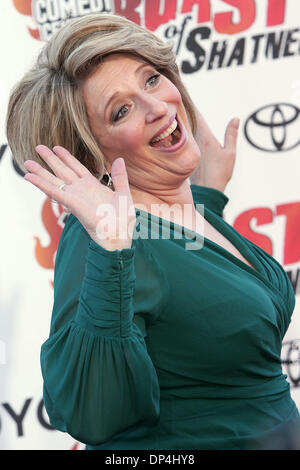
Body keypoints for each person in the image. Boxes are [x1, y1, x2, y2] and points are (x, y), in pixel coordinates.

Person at [6, 14, 300, 450]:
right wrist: (110, 248)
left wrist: (206, 199)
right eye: (121, 110)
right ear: (93, 155)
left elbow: (187, 298)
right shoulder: (100, 235)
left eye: (152, 79)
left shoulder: (179, 211)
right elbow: (89, 411)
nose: (159, 106)